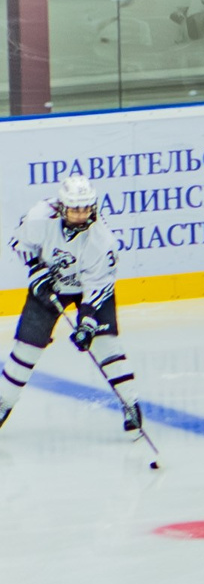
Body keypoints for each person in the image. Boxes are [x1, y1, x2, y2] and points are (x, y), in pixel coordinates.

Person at [0, 175, 144, 440]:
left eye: (86, 207)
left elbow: (98, 286)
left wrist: (87, 324)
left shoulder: (102, 240)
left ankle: (130, 404)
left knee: (105, 344)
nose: (81, 214)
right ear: (62, 206)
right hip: (49, 287)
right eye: (75, 208)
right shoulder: (39, 217)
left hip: (88, 290)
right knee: (26, 346)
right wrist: (35, 271)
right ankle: (3, 403)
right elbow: (20, 243)